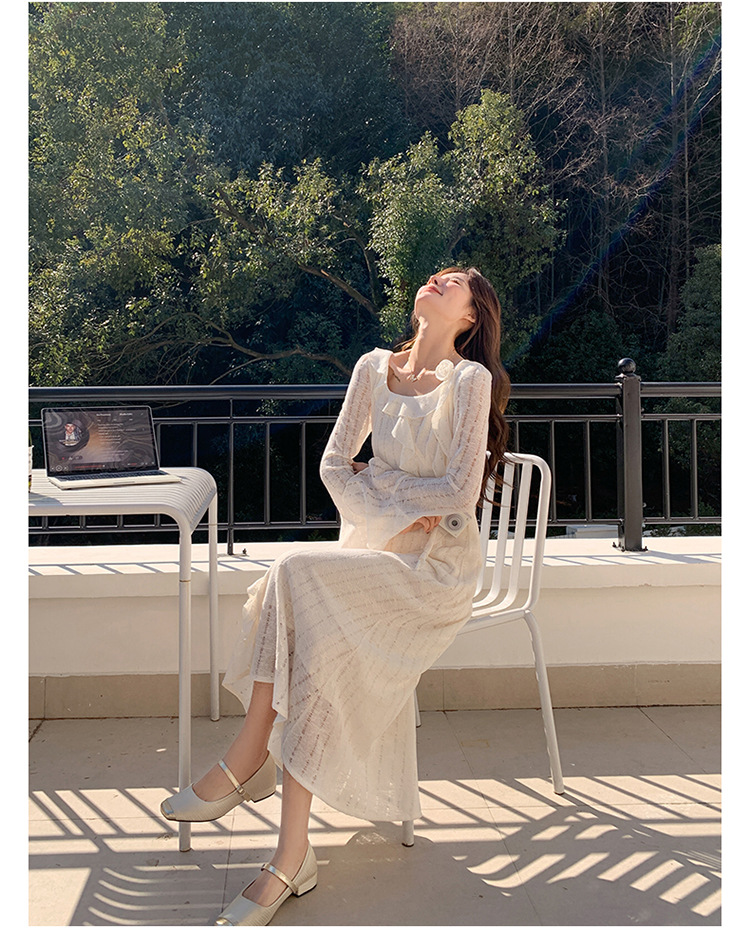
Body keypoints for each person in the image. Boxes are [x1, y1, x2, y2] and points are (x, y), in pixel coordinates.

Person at [160, 266, 510, 926]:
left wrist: (383, 486)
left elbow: (460, 494)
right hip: (372, 553)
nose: (438, 280)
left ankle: (249, 761)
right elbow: (331, 465)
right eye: (435, 276)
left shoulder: (470, 381)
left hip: (435, 572)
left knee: (293, 571)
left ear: (470, 316)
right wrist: (399, 505)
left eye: (454, 282)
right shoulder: (372, 368)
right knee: (311, 623)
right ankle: (290, 852)